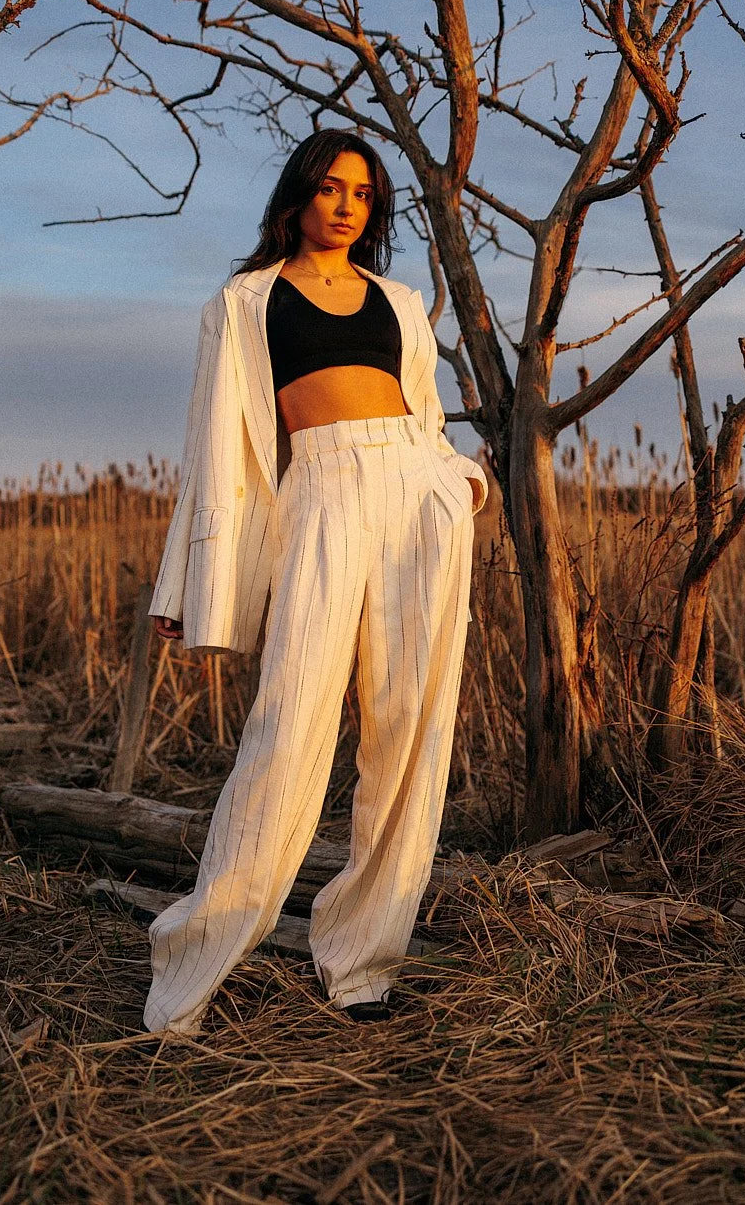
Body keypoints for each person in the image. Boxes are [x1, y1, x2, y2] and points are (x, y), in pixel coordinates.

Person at [143, 129, 489, 1037]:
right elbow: (216, 448)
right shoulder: (246, 301)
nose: (345, 205)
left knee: (410, 728)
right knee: (287, 729)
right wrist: (186, 583)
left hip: (418, 497)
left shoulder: (401, 301)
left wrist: (462, 480)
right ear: (297, 196)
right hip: (323, 496)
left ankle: (365, 962)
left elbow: (427, 413)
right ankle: (194, 960)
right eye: (330, 188)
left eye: (362, 194)